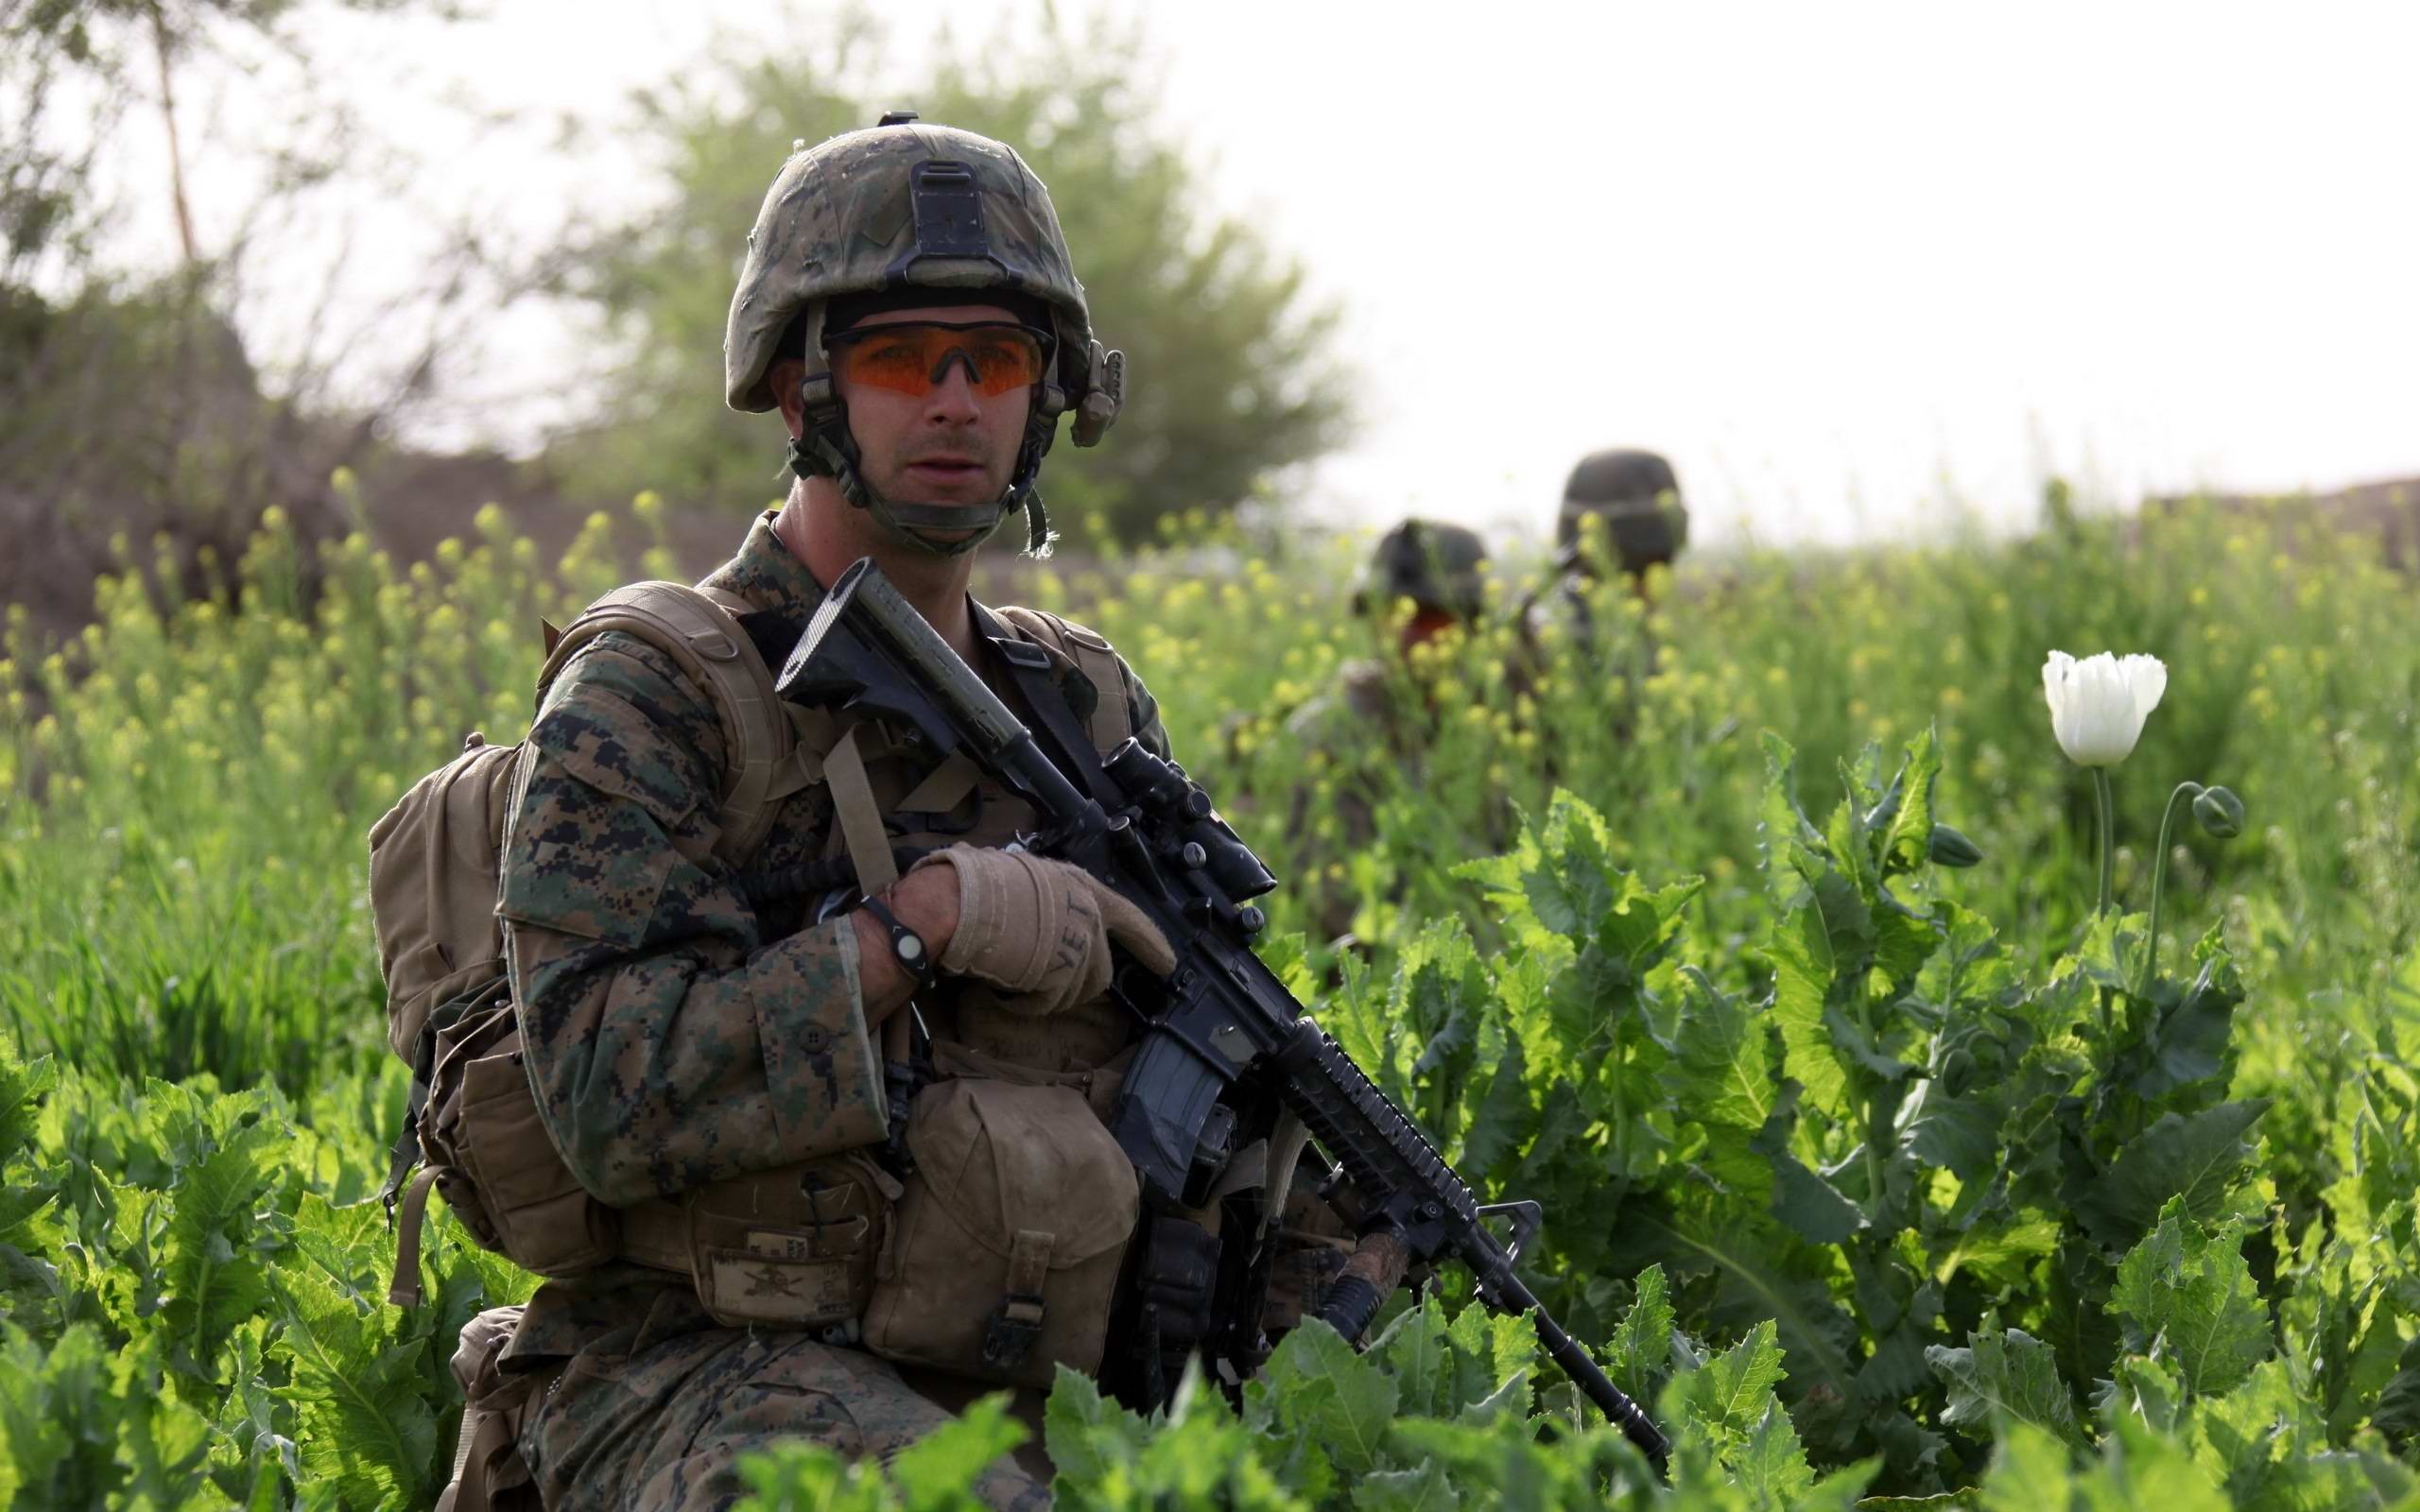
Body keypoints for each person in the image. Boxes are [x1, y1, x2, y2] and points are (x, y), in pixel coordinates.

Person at [480, 116, 1194, 1512]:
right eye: (895, 360)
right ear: (803, 392)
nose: (953, 403)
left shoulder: (1085, 706)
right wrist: (919, 930)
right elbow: (606, 1098)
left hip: (1025, 1351)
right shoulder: (662, 689)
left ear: (1047, 398)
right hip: (690, 1360)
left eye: (992, 361)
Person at [1271, 519, 1494, 943]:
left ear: (1469, 625)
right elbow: (1323, 898)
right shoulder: (1328, 733)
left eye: (1431, 619)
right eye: (1394, 613)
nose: (1409, 635)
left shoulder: (1490, 731)